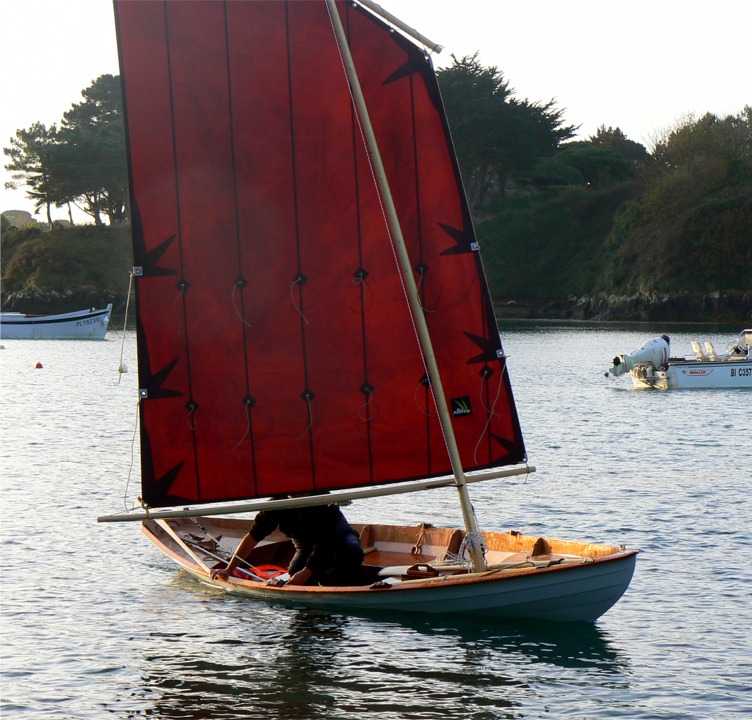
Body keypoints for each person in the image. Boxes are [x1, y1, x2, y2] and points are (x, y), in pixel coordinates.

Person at [210, 500, 364, 586]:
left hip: (339, 539)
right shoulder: (276, 505)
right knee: (296, 572)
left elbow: (326, 544)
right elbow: (252, 538)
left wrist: (307, 572)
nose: (301, 494)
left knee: (352, 551)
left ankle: (338, 582)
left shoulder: (323, 502)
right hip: (305, 546)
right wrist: (229, 570)